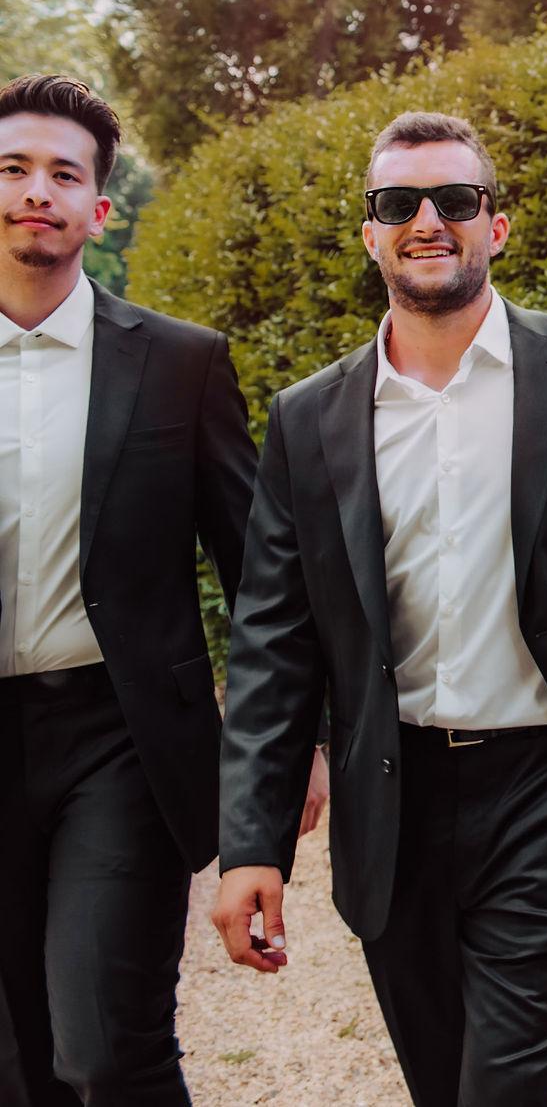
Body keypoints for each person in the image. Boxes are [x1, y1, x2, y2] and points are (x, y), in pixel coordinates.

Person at [212, 111, 547, 1106]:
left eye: (455, 200)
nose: (427, 221)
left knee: (505, 1087)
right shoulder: (309, 418)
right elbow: (272, 640)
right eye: (399, 204)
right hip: (392, 799)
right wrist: (253, 843)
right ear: (371, 235)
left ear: (495, 225)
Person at [0, 73, 304, 1106]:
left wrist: (294, 743)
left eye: (63, 174)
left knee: (106, 1046)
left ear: (98, 208)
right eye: (13, 168)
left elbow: (263, 574)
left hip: (119, 740)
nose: (36, 191)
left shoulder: (180, 364)